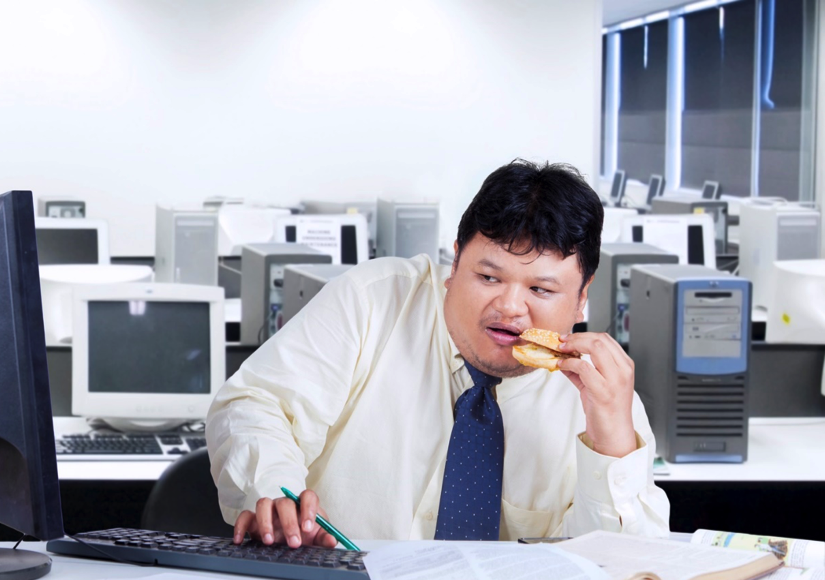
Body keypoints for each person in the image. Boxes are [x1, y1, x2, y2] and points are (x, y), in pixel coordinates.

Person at [206, 160, 670, 548]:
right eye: (488, 277)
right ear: (455, 262)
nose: (509, 307)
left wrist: (611, 444)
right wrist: (274, 489)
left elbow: (623, 570)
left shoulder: (600, 392)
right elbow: (255, 405)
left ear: (582, 296)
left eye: (540, 288)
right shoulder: (374, 301)